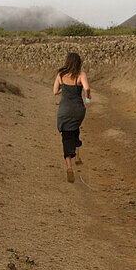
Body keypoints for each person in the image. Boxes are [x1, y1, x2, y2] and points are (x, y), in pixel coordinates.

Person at [52, 52, 90, 183]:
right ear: (78, 62)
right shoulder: (81, 75)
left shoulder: (60, 75)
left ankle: (69, 166)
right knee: (75, 128)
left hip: (64, 110)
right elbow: (87, 88)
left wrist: (65, 89)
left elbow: (55, 91)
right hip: (78, 110)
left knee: (66, 136)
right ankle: (78, 155)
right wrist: (88, 96)